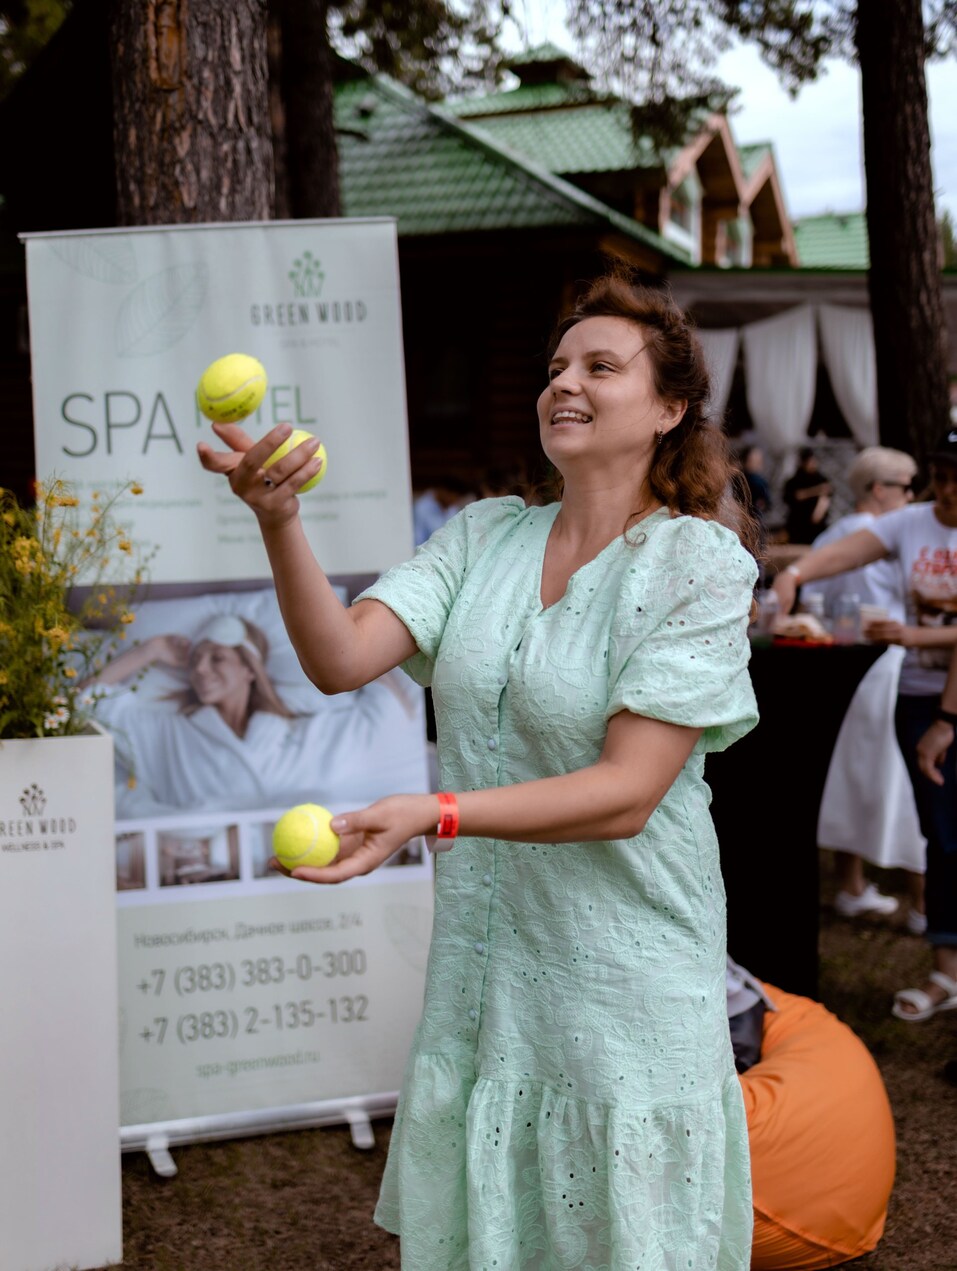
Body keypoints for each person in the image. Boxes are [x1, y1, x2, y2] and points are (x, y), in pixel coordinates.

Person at [197, 271, 761, 1268]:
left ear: (671, 408)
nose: (564, 384)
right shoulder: (482, 535)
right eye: (554, 368)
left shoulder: (697, 565)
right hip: (489, 979)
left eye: (600, 365)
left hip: (627, 980)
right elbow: (337, 658)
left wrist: (434, 810)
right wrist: (279, 519)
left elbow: (629, 791)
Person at [773, 431, 957, 1024]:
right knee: (942, 833)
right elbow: (847, 551)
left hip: (946, 708)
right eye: (942, 474)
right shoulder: (912, 523)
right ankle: (945, 975)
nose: (948, 488)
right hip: (917, 699)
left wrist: (918, 643)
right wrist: (796, 574)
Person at [90, 611, 424, 817]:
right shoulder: (170, 733)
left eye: (216, 658)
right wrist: (150, 650)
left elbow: (387, 713)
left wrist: (338, 634)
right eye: (195, 660)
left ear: (250, 670)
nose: (200, 670)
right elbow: (84, 704)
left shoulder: (298, 731)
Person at [802, 447, 926, 930]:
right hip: (895, 665)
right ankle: (924, 902)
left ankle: (852, 885)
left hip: (848, 671)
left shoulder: (832, 535)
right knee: (906, 783)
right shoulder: (880, 539)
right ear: (880, 489)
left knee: (856, 780)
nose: (913, 496)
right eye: (906, 485)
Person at [782, 445, 831, 544]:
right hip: (799, 522)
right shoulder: (794, 481)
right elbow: (797, 496)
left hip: (816, 524)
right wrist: (816, 490)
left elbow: (825, 497)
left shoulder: (821, 479)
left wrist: (819, 512)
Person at [412, 476, 474, 546]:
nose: (455, 502)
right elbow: (417, 542)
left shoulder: (452, 508)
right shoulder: (421, 508)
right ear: (443, 491)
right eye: (453, 497)